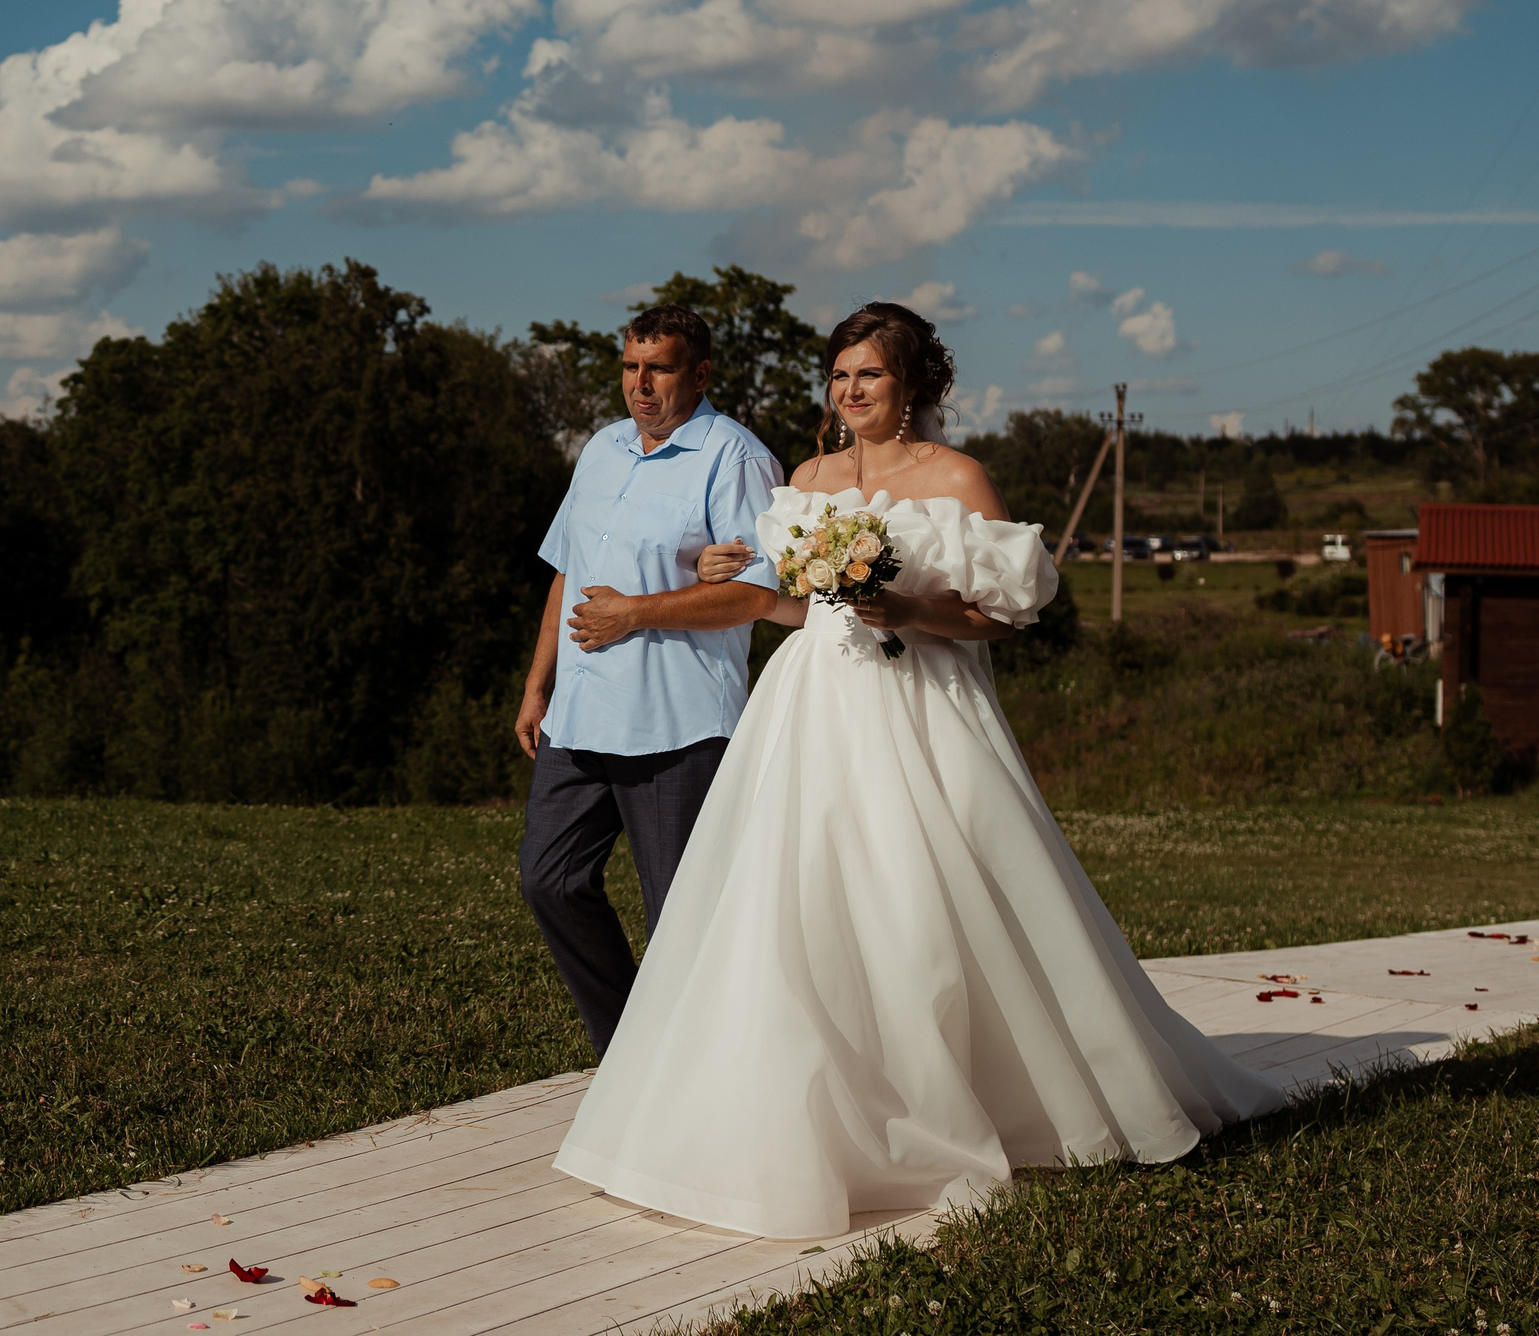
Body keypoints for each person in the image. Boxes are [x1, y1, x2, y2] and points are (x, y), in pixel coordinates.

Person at [552, 302, 1281, 1238]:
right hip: (813, 702)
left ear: (912, 386)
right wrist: (744, 576)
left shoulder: (955, 476)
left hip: (921, 706)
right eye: (840, 376)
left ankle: (975, 1096)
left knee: (923, 900)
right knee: (791, 905)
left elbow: (1000, 614)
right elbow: (793, 608)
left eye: (871, 377)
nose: (850, 393)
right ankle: (779, 1112)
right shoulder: (808, 477)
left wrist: (908, 610)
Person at [515, 304, 785, 1058]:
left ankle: (705, 1083)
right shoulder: (600, 450)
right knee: (550, 881)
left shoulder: (735, 459)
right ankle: (634, 1054)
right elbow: (568, 571)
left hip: (678, 724)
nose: (641, 383)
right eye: (632, 366)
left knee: (682, 921)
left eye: (659, 367)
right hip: (580, 714)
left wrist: (637, 613)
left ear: (698, 374)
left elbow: (761, 593)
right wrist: (539, 684)